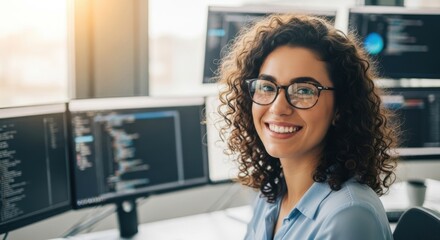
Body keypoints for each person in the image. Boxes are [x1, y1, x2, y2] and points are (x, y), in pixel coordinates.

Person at [216, 14, 399, 239]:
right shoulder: (272, 195)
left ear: (340, 108)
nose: (278, 108)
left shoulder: (348, 215)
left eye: (304, 90)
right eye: (266, 87)